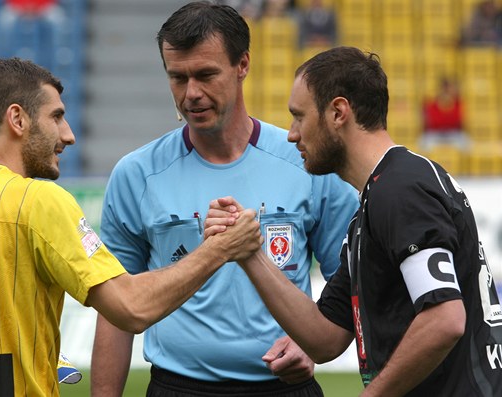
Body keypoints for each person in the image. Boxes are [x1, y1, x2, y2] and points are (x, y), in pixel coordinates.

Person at [0, 57, 261, 396]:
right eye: (57, 117)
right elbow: (131, 308)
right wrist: (219, 248)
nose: (69, 135)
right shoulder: (35, 200)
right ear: (17, 119)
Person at [90, 2, 358, 396]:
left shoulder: (307, 161)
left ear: (243, 64)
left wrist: (310, 343)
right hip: (177, 388)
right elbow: (114, 309)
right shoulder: (137, 175)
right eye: (177, 77)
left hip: (284, 387)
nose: (191, 93)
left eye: (205, 75)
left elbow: (349, 283)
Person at [207, 46, 502, 396]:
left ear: (338, 112)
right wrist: (249, 253)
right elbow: (325, 338)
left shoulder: (401, 190)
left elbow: (444, 319)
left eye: (299, 116)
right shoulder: (375, 201)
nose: (291, 133)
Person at [419, 77, 470, 152]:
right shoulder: (432, 104)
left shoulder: (458, 104)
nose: (447, 92)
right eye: (445, 89)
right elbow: (432, 122)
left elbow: (458, 121)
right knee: (424, 144)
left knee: (466, 143)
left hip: (453, 133)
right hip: (435, 133)